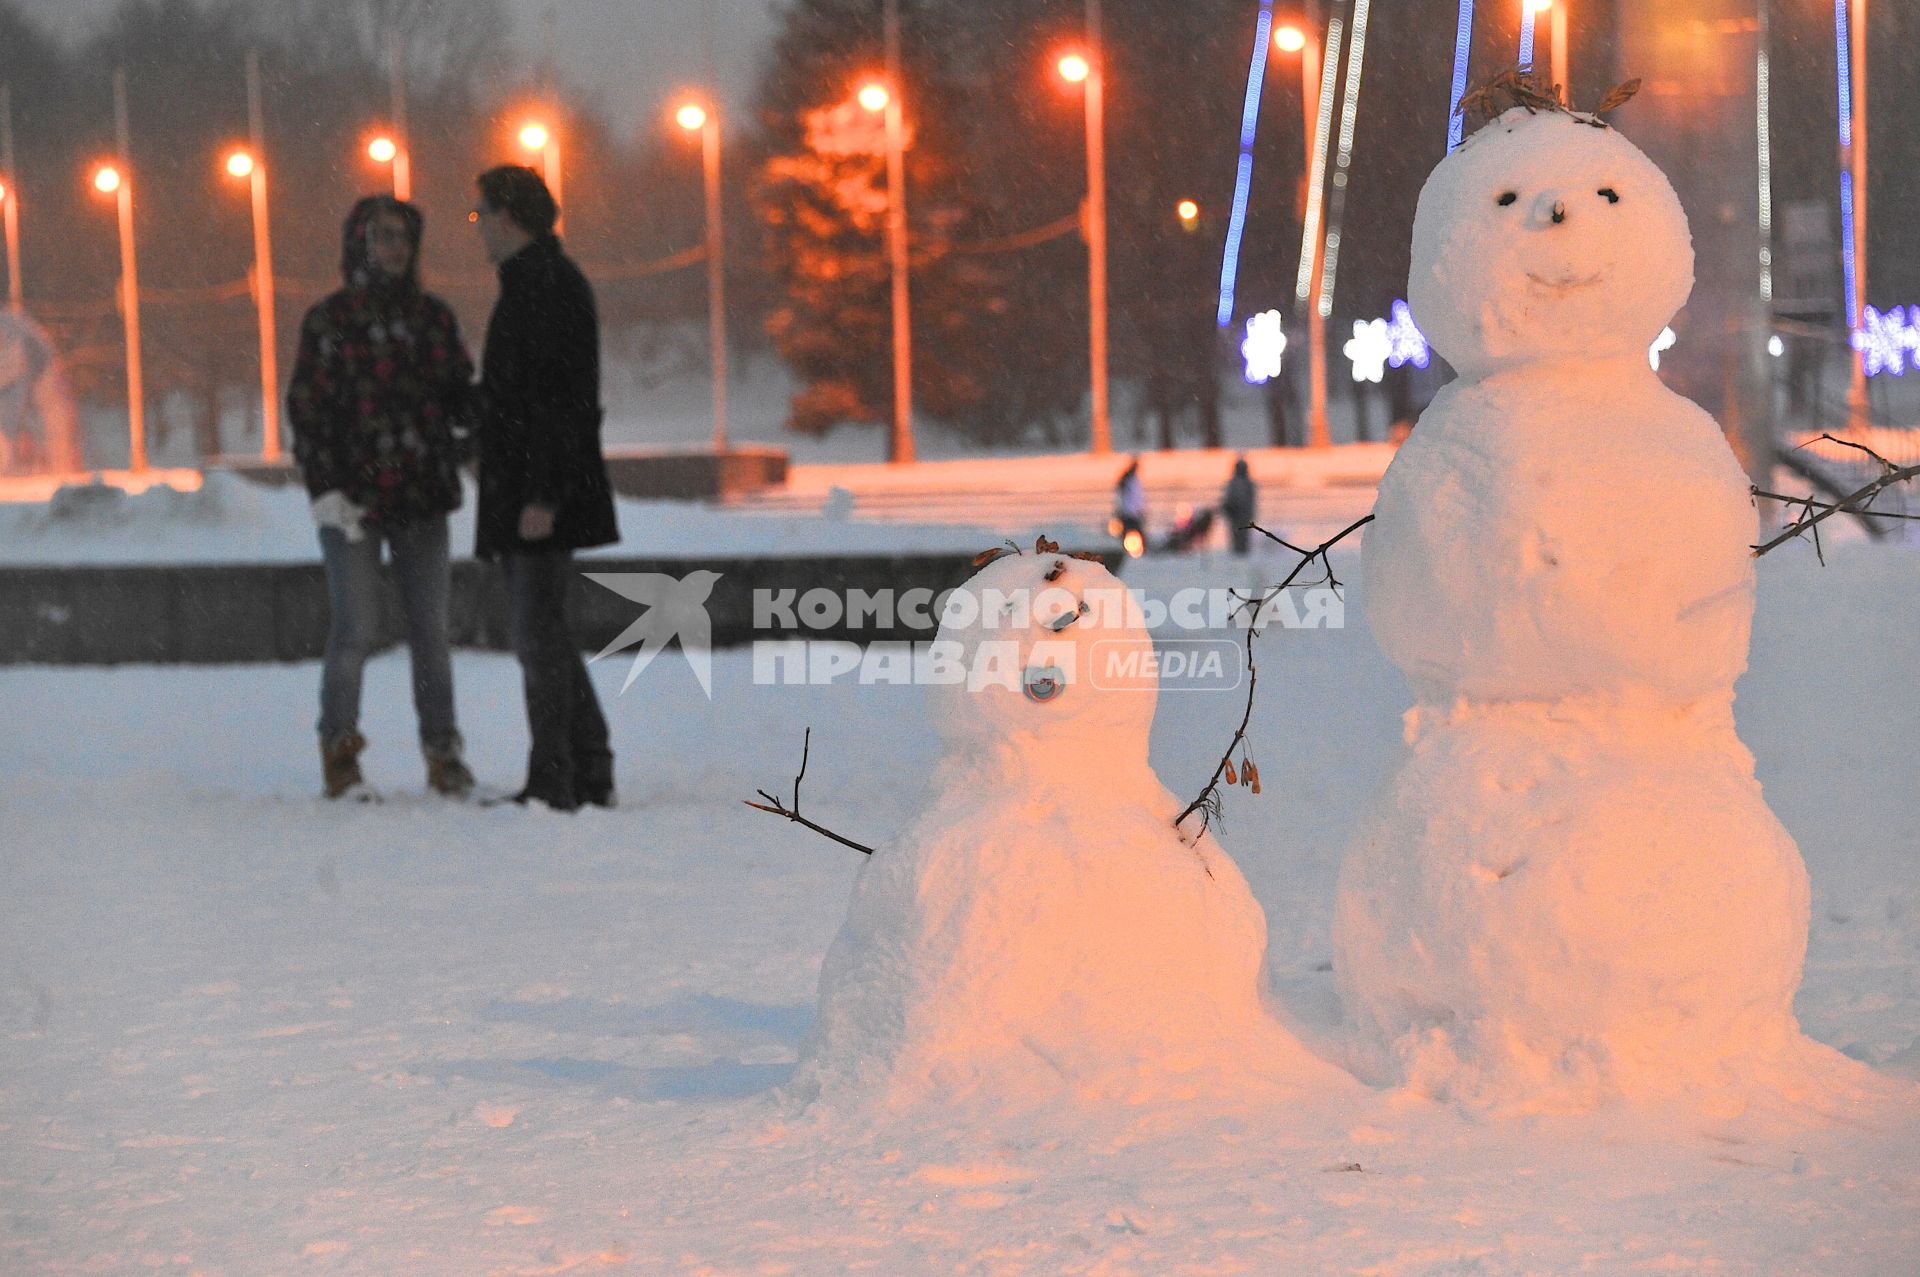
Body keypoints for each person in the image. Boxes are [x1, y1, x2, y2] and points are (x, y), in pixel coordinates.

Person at [287, 195, 476, 799]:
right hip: (353, 502)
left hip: (421, 497)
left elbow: (458, 397)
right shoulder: (329, 322)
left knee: (431, 633)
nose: (397, 248)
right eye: (385, 236)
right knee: (355, 629)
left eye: (404, 238)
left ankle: (442, 751)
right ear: (360, 243)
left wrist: (491, 418)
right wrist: (325, 491)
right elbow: (308, 412)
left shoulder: (431, 319)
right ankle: (339, 750)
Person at [470, 165, 620, 812]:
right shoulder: (541, 281)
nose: (477, 228)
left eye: (481, 214)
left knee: (538, 635)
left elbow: (560, 403)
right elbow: (528, 399)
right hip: (530, 485)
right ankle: (587, 768)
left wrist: (542, 495)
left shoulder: (545, 285)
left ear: (508, 215)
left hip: (536, 493)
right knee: (547, 632)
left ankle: (557, 776)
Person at [1221, 456, 1257, 556]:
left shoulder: (1248, 484)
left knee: (1243, 535)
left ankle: (1243, 553)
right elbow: (1228, 498)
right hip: (1234, 514)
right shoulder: (1232, 483)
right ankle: (1237, 553)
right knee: (1235, 535)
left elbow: (1251, 501)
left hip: (1244, 514)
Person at [1114, 457, 1146, 548]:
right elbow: (1134, 498)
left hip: (1131, 512)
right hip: (1129, 513)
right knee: (1129, 532)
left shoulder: (1132, 480)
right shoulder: (1128, 480)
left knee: (1131, 532)